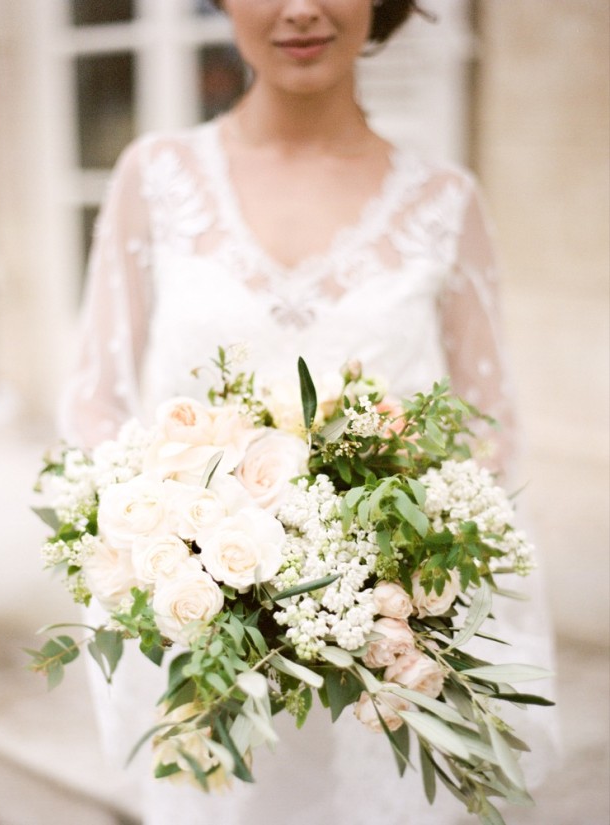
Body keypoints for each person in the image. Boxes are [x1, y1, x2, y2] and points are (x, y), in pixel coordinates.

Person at [60, 1, 557, 823]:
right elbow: (95, 403)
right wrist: (171, 562)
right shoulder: (152, 178)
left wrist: (397, 585)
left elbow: (486, 428)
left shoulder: (445, 200)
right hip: (205, 651)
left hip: (385, 658)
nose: (300, 9)